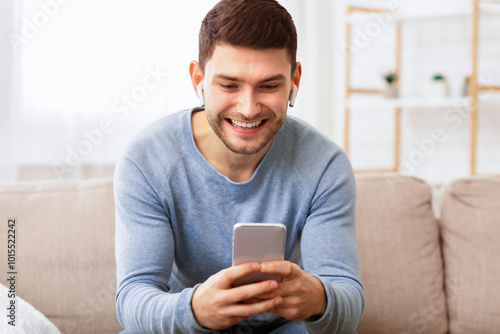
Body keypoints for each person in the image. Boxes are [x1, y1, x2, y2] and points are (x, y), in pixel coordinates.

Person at [114, 0, 365, 333]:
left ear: (294, 81)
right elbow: (133, 298)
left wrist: (319, 298)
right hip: (185, 323)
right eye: (229, 85)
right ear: (198, 79)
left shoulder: (325, 165)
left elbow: (347, 302)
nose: (248, 108)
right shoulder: (147, 159)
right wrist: (195, 309)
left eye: (269, 85)